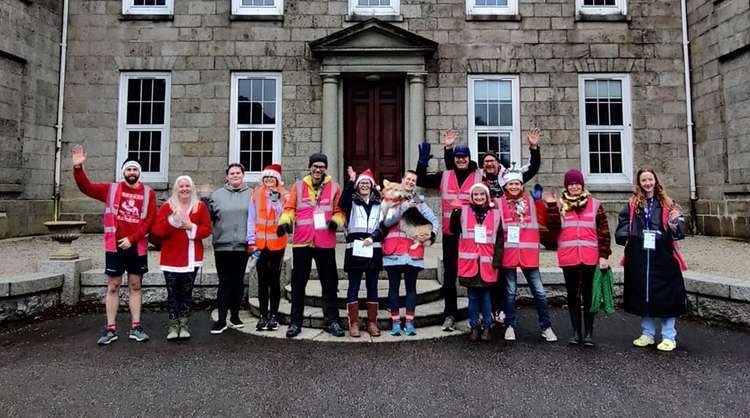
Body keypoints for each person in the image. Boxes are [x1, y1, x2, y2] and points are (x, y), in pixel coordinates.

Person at [444, 128, 542, 326]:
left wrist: (533, 147)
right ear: (482, 165)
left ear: (498, 163)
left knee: (498, 272)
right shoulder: (477, 175)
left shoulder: (507, 175)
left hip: (504, 228)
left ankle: (500, 311)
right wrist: (449, 149)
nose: (489, 164)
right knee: (486, 272)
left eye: (492, 161)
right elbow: (455, 168)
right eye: (486, 161)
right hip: (484, 226)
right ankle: (484, 312)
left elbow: (531, 169)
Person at [71, 145, 156, 345]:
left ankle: (136, 327)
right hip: (114, 246)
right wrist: (77, 168)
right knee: (113, 286)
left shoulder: (148, 192)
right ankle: (110, 328)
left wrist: (132, 239)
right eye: (128, 169)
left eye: (135, 170)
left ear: (139, 173)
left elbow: (149, 220)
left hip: (136, 246)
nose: (132, 173)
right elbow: (87, 188)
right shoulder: (112, 189)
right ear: (123, 172)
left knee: (135, 285)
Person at [616, 169, 687, 352]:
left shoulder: (668, 203)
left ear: (655, 181)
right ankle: (647, 334)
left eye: (650, 179)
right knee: (643, 294)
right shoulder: (633, 204)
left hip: (662, 254)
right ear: (639, 183)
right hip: (640, 254)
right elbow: (624, 222)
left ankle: (668, 336)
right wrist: (625, 237)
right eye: (643, 180)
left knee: (666, 295)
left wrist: (674, 224)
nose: (647, 183)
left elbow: (679, 228)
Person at [278, 153, 346, 338]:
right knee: (299, 284)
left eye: (321, 166)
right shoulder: (298, 186)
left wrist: (335, 222)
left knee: (330, 284)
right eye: (315, 166)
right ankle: (295, 322)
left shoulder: (334, 187)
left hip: (325, 241)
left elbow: (340, 211)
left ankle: (332, 321)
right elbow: (289, 209)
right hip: (302, 242)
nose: (318, 169)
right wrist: (285, 223)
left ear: (325, 168)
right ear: (310, 167)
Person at [544, 169, 611, 347]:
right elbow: (552, 232)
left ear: (582, 185)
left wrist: (604, 255)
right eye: (571, 184)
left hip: (590, 257)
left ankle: (588, 333)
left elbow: (603, 232)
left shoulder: (595, 204)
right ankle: (575, 333)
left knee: (589, 296)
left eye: (577, 184)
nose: (574, 186)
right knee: (573, 296)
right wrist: (551, 208)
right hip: (569, 257)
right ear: (566, 186)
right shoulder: (559, 206)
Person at [499, 165, 557, 342]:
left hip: (528, 254)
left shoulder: (532, 202)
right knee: (510, 293)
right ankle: (510, 325)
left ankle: (546, 327)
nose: (514, 187)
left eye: (517, 183)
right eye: (511, 184)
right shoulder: (499, 203)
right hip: (508, 254)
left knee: (539, 292)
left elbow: (544, 221)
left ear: (522, 185)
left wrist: (544, 203)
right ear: (506, 186)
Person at [152, 175, 212, 340]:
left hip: (191, 257)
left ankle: (184, 325)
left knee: (186, 293)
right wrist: (173, 220)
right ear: (176, 189)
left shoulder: (199, 207)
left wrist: (191, 226)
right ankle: (173, 326)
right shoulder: (167, 207)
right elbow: (157, 231)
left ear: (191, 188)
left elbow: (207, 229)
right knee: (172, 293)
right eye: (181, 186)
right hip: (171, 258)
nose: (184, 189)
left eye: (187, 186)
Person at [382, 170, 438, 336]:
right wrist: (405, 206)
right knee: (393, 288)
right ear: (402, 180)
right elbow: (387, 221)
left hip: (413, 251)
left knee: (411, 288)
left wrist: (431, 235)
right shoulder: (392, 198)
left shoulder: (419, 202)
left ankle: (410, 322)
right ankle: (395, 322)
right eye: (408, 179)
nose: (411, 182)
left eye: (414, 180)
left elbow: (433, 220)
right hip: (393, 250)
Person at [451, 183, 503, 342]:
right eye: (476, 195)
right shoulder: (463, 212)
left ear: (487, 197)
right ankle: (474, 326)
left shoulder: (495, 214)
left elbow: (500, 238)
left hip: (487, 264)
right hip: (470, 263)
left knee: (486, 298)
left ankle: (487, 326)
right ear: (471, 198)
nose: (479, 197)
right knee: (472, 297)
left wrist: (497, 260)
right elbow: (454, 229)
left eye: (482, 195)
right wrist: (454, 213)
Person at [204, 163, 253, 335]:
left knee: (238, 282)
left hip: (242, 245)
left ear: (243, 175)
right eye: (232, 173)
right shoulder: (217, 195)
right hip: (222, 245)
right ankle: (221, 319)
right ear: (227, 176)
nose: (235, 176)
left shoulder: (252, 194)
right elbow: (208, 217)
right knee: (225, 282)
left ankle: (235, 316)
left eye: (238, 173)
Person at [339, 167, 383, 337]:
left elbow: (383, 225)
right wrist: (351, 180)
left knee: (372, 286)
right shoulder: (351, 201)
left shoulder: (379, 203)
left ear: (372, 186)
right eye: (361, 183)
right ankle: (354, 323)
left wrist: (375, 236)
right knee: (354, 286)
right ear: (357, 186)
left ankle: (372, 322)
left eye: (367, 183)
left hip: (373, 250)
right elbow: (341, 202)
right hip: (355, 251)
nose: (364, 185)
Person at [247, 164, 289, 332]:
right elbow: (251, 219)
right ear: (263, 179)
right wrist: (250, 240)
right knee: (262, 281)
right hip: (260, 244)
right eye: (266, 177)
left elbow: (284, 216)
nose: (269, 180)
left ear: (277, 179)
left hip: (277, 243)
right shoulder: (256, 194)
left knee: (275, 280)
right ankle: (263, 315)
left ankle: (273, 315)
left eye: (272, 178)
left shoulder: (284, 195)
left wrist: (275, 201)